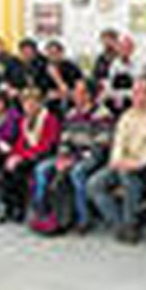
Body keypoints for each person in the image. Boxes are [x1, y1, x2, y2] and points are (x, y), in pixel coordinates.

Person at [87, 79, 146, 242]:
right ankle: (119, 224)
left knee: (128, 176)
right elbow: (119, 142)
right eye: (134, 92)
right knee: (94, 184)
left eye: (142, 92)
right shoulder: (127, 116)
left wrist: (137, 163)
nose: (137, 96)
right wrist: (117, 159)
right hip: (124, 163)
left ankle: (131, 223)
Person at [30, 79, 112, 231]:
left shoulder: (102, 114)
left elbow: (101, 145)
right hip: (71, 156)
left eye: (79, 91)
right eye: (75, 91)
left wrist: (74, 159)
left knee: (77, 172)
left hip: (91, 157)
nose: (74, 94)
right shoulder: (72, 113)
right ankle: (42, 212)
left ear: (88, 95)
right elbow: (65, 139)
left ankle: (83, 219)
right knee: (41, 169)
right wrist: (63, 156)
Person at [2, 88, 60, 224]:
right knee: (6, 168)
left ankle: (22, 209)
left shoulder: (49, 119)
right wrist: (14, 156)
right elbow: (20, 143)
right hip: (29, 154)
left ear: (40, 103)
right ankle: (10, 206)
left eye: (33, 103)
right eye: (26, 103)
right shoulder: (24, 120)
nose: (29, 106)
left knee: (20, 169)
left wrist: (22, 157)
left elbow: (47, 145)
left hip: (44, 155)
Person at [42, 40, 84, 107]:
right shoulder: (44, 68)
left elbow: (79, 88)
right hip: (51, 102)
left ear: (61, 53)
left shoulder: (71, 67)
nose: (52, 56)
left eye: (54, 53)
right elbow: (45, 92)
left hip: (71, 100)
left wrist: (56, 77)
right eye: (49, 54)